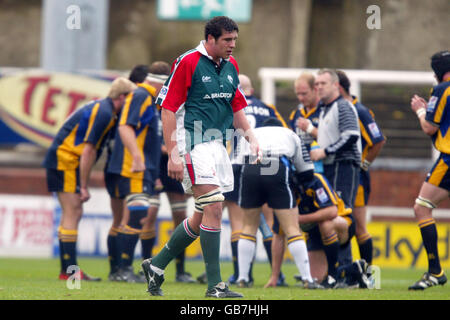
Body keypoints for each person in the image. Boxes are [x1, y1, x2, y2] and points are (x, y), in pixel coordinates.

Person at [141, 16, 259, 298]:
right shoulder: (188, 61)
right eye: (227, 40)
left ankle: (156, 266)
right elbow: (168, 109)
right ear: (210, 40)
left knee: (201, 216)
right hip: (191, 143)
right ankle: (215, 286)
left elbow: (237, 107)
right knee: (215, 207)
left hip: (218, 146)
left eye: (234, 40)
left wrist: (252, 139)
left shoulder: (231, 66)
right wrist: (173, 154)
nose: (232, 45)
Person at [42, 77, 136, 281]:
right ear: (122, 98)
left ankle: (69, 270)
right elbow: (89, 150)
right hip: (65, 160)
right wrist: (83, 186)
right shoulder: (104, 112)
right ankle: (69, 272)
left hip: (66, 161)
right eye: (131, 100)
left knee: (74, 211)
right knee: (72, 210)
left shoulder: (104, 109)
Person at [236, 118, 321, 289]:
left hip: (250, 169)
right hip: (277, 166)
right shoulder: (290, 134)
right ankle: (307, 279)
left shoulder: (251, 133)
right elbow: (307, 170)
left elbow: (236, 165)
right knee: (291, 228)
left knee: (248, 227)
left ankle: (243, 278)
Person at [105, 62, 169, 283]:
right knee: (137, 215)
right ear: (161, 83)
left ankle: (120, 270)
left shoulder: (148, 99)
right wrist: (138, 157)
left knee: (136, 216)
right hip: (135, 167)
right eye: (167, 85)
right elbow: (125, 126)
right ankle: (123, 270)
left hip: (145, 167)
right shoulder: (141, 95)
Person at [224, 74, 288, 287]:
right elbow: (283, 133)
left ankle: (241, 275)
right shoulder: (268, 108)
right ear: (252, 89)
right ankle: (276, 275)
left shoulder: (229, 106)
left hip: (236, 166)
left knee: (240, 225)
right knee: (270, 224)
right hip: (265, 165)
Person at [310, 68, 361, 266]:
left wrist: (326, 151)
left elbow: (351, 135)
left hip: (343, 166)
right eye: (317, 84)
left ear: (335, 86)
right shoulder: (325, 108)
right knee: (334, 214)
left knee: (341, 214)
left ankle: (347, 267)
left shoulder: (343, 106)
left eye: (323, 83)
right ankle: (338, 267)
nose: (319, 87)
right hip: (330, 167)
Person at [408, 50, 450, 290]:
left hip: (449, 160)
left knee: (422, 207)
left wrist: (420, 110)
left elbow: (430, 128)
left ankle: (435, 271)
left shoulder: (443, 89)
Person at [336, 70, 386, 265]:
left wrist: (363, 165)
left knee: (358, 227)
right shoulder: (335, 108)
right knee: (342, 223)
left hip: (356, 175)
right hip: (340, 173)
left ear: (338, 87)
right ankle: (339, 270)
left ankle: (368, 274)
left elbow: (378, 140)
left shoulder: (359, 110)